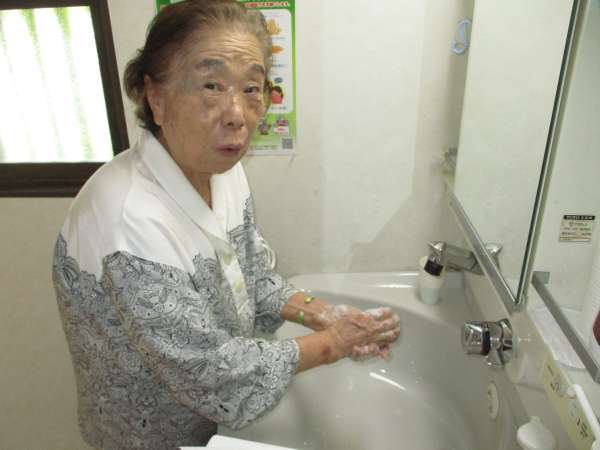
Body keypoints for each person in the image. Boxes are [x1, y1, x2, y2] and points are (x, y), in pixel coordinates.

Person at [52, 1, 401, 449]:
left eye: (252, 88)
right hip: (147, 436)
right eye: (212, 86)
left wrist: (323, 313)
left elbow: (250, 276)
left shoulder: (223, 172)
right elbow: (212, 373)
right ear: (155, 98)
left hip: (210, 425)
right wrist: (333, 343)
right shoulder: (127, 220)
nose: (237, 113)